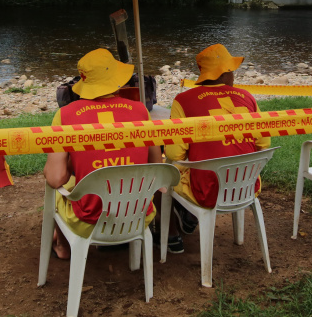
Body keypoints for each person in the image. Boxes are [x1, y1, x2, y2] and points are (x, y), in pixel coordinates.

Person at [44, 48, 162, 260]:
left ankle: (62, 246)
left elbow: (55, 179)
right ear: (116, 79)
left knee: (59, 191)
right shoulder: (141, 111)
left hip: (88, 219)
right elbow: (155, 164)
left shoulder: (65, 115)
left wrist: (73, 162)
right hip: (137, 214)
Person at [163, 44, 270, 252]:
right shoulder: (248, 98)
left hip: (206, 192)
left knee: (168, 176)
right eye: (232, 70)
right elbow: (264, 145)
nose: (234, 75)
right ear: (224, 73)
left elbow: (175, 154)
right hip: (247, 186)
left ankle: (179, 224)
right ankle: (189, 216)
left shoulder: (183, 101)